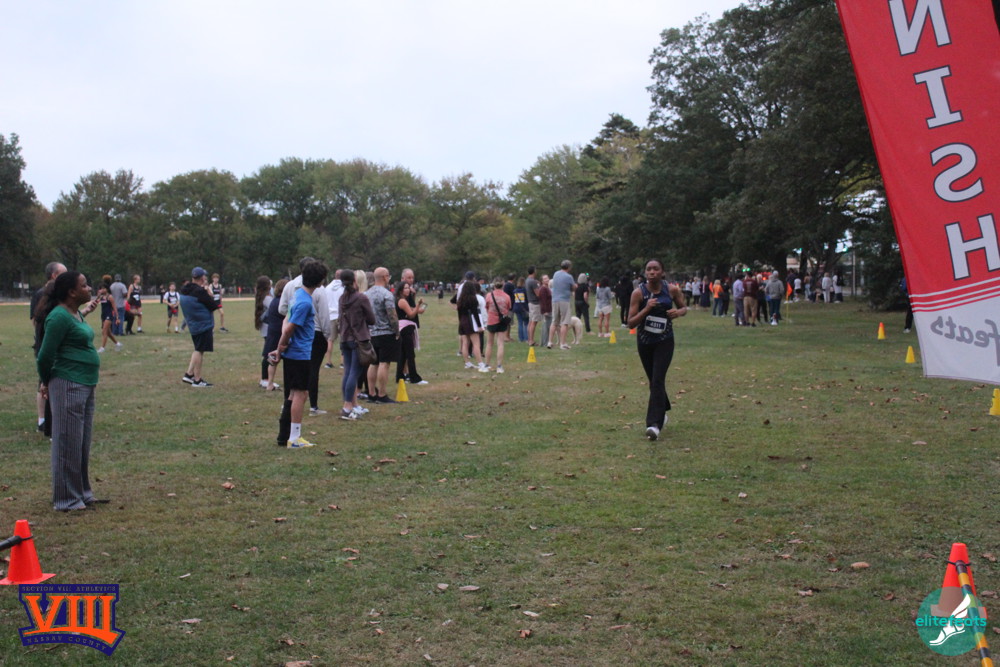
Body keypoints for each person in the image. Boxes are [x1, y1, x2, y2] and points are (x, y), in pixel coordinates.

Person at [36, 271, 107, 511]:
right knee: (67, 442)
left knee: (80, 443)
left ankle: (82, 493)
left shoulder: (74, 313)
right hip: (67, 383)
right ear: (72, 292)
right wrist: (46, 382)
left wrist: (87, 311)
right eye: (85, 286)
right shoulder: (58, 317)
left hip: (85, 382)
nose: (89, 289)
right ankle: (66, 498)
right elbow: (44, 356)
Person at [270, 261, 328, 448]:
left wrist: (280, 348)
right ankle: (294, 438)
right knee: (301, 394)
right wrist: (280, 348)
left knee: (293, 394)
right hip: (300, 354)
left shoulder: (298, 295)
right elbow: (289, 329)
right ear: (320, 281)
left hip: (294, 353)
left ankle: (284, 435)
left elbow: (286, 320)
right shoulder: (304, 302)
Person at [627, 259, 687, 442]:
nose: (652, 272)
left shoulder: (671, 290)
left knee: (658, 379)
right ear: (645, 273)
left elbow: (684, 307)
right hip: (645, 342)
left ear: (662, 272)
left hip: (664, 341)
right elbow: (630, 322)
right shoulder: (638, 293)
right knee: (654, 381)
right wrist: (647, 309)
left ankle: (654, 425)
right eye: (648, 269)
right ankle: (661, 411)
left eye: (655, 269)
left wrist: (678, 313)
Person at [31, 261, 67, 434]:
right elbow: (35, 320)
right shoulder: (41, 294)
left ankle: (52, 420)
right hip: (44, 344)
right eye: (63, 273)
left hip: (54, 345)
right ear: (54, 275)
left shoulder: (59, 294)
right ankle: (42, 420)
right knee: (44, 382)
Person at [338, 270, 375, 420]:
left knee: (347, 372)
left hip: (345, 338)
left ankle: (352, 404)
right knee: (354, 372)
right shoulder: (361, 298)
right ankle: (348, 405)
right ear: (354, 280)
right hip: (358, 338)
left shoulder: (342, 298)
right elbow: (372, 319)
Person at [179, 267, 221, 387]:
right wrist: (209, 293)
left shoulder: (185, 290)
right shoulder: (200, 292)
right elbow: (213, 305)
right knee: (199, 350)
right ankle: (197, 380)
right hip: (202, 324)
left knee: (198, 348)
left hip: (193, 324)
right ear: (202, 278)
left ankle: (189, 374)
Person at [365, 267, 400, 403]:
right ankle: (382, 394)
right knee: (384, 364)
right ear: (385, 277)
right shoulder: (387, 294)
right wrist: (397, 331)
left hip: (371, 333)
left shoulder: (366, 294)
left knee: (373, 364)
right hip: (386, 332)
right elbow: (392, 315)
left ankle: (371, 393)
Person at [395, 281, 427, 385]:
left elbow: (412, 310)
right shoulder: (402, 301)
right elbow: (411, 314)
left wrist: (417, 307)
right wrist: (418, 304)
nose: (408, 290)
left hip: (403, 328)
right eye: (405, 288)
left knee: (403, 354)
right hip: (405, 329)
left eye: (408, 288)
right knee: (410, 354)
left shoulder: (401, 300)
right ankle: (414, 378)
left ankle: (400, 377)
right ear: (400, 290)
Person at [261, 278, 287, 392]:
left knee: (272, 359)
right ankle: (269, 382)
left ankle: (269, 382)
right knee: (274, 359)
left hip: (273, 332)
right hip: (278, 334)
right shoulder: (281, 302)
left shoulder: (275, 300)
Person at [456, 280, 488, 372]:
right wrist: (479, 326)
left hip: (463, 322)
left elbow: (459, 314)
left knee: (465, 343)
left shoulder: (460, 300)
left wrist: (460, 323)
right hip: (471, 322)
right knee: (476, 344)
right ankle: (481, 364)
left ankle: (467, 362)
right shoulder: (473, 299)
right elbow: (475, 313)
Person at [484, 277, 512, 373]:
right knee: (500, 343)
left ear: (494, 285)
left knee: (489, 343)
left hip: (491, 320)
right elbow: (508, 308)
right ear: (503, 285)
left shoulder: (489, 295)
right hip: (502, 321)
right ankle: (499, 366)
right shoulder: (507, 296)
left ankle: (486, 365)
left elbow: (486, 307)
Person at [548, 260, 576, 350]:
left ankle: (550, 342)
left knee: (554, 322)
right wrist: (575, 287)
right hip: (564, 300)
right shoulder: (569, 276)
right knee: (565, 322)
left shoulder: (556, 274)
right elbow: (573, 288)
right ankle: (563, 343)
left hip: (555, 300)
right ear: (569, 267)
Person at [324, 269, 344, 369]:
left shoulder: (327, 288)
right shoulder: (344, 287)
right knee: (343, 338)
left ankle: (328, 361)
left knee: (330, 339)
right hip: (341, 315)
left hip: (330, 315)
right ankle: (342, 362)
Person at [95, 282, 122, 353]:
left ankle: (102, 348)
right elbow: (95, 302)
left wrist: (117, 317)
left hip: (109, 315)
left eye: (104, 288)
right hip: (103, 315)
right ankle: (118, 344)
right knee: (108, 332)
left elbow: (114, 308)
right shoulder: (101, 297)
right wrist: (98, 296)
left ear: (107, 289)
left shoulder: (110, 297)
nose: (102, 290)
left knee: (104, 331)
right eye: (101, 288)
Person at [525, 266, 541, 345]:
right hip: (535, 303)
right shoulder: (533, 281)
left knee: (530, 322)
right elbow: (538, 294)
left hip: (530, 302)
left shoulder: (527, 280)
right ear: (534, 271)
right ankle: (531, 341)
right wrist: (539, 286)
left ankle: (529, 339)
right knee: (534, 322)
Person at [538, 274, 553, 347]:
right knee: (546, 328)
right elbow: (543, 301)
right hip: (546, 311)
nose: (547, 279)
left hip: (549, 309)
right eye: (545, 279)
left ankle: (546, 342)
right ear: (542, 281)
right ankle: (545, 343)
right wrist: (544, 311)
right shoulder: (543, 289)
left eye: (547, 278)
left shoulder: (547, 288)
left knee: (548, 327)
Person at [512, 277, 528, 342]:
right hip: (524, 308)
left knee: (520, 323)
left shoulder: (515, 291)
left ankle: (521, 338)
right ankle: (526, 338)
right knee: (526, 323)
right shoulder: (525, 290)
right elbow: (526, 300)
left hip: (516, 307)